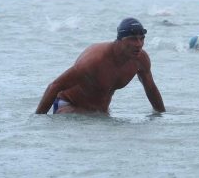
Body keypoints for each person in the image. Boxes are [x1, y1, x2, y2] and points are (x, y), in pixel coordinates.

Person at [35, 18, 166, 115]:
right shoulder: (94, 60)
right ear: (120, 40)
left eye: (141, 38)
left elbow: (151, 89)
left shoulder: (141, 59)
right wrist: (37, 122)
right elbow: (54, 86)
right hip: (70, 106)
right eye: (133, 39)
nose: (138, 44)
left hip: (100, 113)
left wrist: (162, 116)